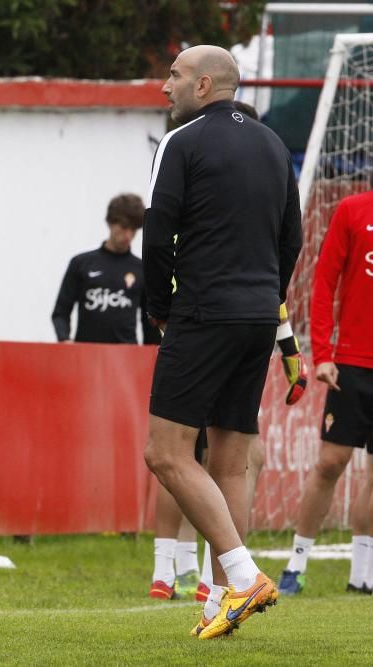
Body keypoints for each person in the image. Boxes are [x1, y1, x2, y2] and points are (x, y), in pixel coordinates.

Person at [142, 45, 302, 639]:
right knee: (231, 463)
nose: (166, 86)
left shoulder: (178, 144)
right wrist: (266, 297)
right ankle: (216, 603)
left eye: (176, 76)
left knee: (166, 453)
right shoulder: (272, 145)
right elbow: (293, 238)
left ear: (205, 85)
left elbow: (159, 235)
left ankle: (241, 576)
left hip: (203, 312)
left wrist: (160, 307)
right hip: (259, 316)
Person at [278, 191, 373, 597]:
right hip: (350, 362)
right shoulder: (353, 210)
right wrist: (322, 352)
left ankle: (362, 574)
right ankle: (296, 563)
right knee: (331, 463)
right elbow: (325, 281)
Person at [51, 193, 161, 345]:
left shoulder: (142, 269)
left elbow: (149, 322)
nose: (128, 235)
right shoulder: (80, 263)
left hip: (126, 359)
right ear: (110, 223)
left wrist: (151, 357)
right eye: (123, 227)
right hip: (85, 355)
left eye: (133, 230)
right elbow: (60, 313)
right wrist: (64, 340)